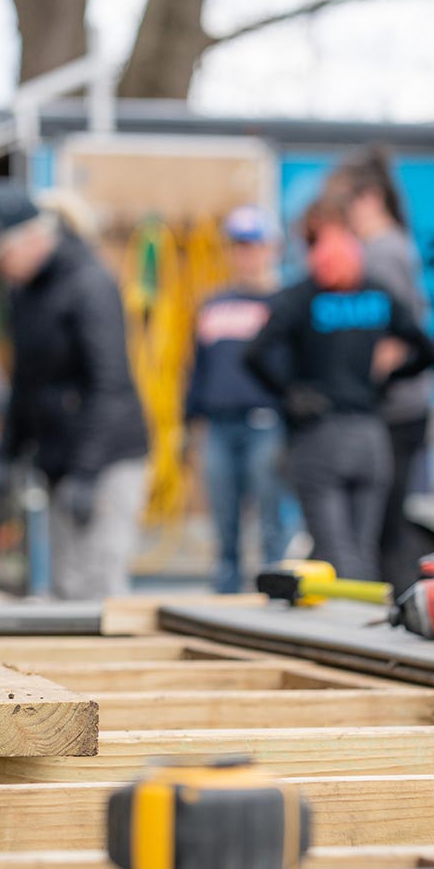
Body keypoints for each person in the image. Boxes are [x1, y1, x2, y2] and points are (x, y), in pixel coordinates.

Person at [0, 179, 149, 600]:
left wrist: (88, 474)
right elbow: (25, 381)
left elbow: (110, 385)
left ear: (30, 239)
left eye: (1, 253)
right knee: (66, 587)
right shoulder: (24, 293)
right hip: (61, 459)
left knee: (98, 586)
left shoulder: (88, 283)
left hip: (106, 460)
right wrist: (9, 457)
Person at [243, 204, 434, 581]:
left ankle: (344, 633)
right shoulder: (376, 294)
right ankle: (357, 627)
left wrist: (289, 394)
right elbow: (428, 351)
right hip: (370, 436)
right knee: (361, 555)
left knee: (337, 557)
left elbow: (254, 353)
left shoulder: (303, 295)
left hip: (321, 438)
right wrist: (385, 381)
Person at [327, 147, 434, 590]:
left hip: (392, 412)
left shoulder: (380, 254)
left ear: (368, 199)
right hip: (405, 409)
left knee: (380, 532)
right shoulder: (395, 246)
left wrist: (350, 388)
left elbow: (390, 341)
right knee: (385, 526)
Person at [184, 207, 295, 594]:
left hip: (266, 422)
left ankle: (275, 594)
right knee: (224, 522)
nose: (246, 255)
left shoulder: (284, 303)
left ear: (272, 248)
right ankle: (226, 596)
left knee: (270, 519)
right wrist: (189, 420)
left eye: (253, 245)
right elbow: (197, 368)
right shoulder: (213, 305)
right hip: (218, 425)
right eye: (239, 246)